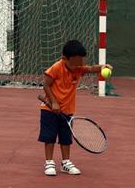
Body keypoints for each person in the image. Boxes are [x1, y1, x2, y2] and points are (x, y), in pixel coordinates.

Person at [38, 40, 112, 176]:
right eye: (76, 62)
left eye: (81, 61)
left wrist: (103, 67)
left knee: (66, 138)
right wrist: (53, 102)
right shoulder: (56, 68)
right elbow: (46, 85)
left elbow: (91, 68)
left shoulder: (79, 68)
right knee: (49, 137)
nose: (80, 65)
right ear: (64, 58)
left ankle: (66, 162)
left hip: (67, 110)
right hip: (49, 110)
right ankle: (49, 162)